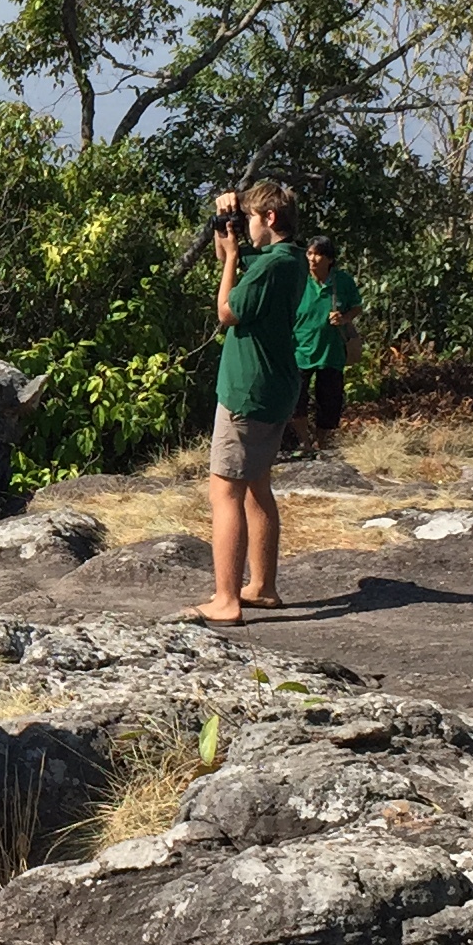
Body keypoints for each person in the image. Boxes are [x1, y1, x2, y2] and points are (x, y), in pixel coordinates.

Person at [194, 179, 303, 626]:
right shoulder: (291, 259)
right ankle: (262, 586)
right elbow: (229, 259)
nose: (247, 229)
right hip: (275, 387)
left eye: (251, 220)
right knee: (258, 483)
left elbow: (227, 311)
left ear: (269, 218)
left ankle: (226, 598)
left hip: (247, 390)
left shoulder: (267, 267)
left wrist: (236, 255)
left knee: (225, 490)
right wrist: (226, 232)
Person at [293, 234, 363, 459]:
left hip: (331, 353)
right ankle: (304, 443)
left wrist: (343, 318)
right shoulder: (298, 280)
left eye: (319, 254)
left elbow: (356, 307)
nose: (312, 259)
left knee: (329, 402)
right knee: (296, 400)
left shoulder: (342, 281)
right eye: (310, 253)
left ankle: (321, 444)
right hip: (299, 351)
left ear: (330, 259)